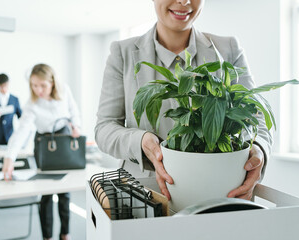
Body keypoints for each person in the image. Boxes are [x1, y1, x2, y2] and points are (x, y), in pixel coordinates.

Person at [95, 0, 272, 201]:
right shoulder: (123, 53)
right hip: (143, 193)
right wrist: (141, 141)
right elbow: (104, 128)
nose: (184, 1)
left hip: (219, 189)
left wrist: (258, 151)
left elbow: (255, 115)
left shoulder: (228, 49)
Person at [2, 63, 81, 240]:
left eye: (42, 85)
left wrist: (77, 126)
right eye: (34, 85)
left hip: (63, 138)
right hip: (43, 142)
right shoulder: (31, 103)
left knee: (64, 191)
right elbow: (22, 130)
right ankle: (47, 236)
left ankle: (65, 233)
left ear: (52, 82)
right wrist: (9, 157)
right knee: (45, 193)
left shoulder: (64, 91)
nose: (38, 90)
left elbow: (73, 111)